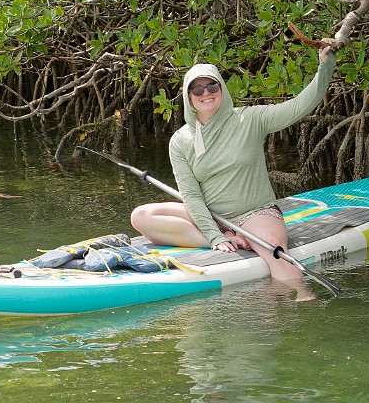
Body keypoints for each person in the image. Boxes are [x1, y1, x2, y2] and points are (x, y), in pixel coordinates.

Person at [131, 40, 337, 292]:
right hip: (211, 216)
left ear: (221, 88)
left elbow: (298, 106)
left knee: (274, 249)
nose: (206, 93)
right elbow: (191, 196)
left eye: (211, 86)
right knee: (141, 216)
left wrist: (325, 67)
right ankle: (228, 240)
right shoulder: (180, 141)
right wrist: (216, 236)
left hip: (255, 213)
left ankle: (298, 297)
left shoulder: (251, 119)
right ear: (189, 98)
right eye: (197, 90)